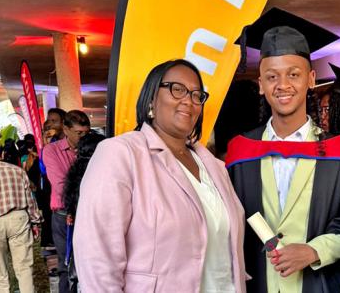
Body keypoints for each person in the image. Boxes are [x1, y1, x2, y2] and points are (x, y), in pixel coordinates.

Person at [73, 59, 247, 292]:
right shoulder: (120, 154)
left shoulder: (214, 167)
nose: (188, 100)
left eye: (197, 95)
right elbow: (97, 255)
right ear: (152, 98)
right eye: (177, 89)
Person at [226, 8, 340, 293]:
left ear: (311, 79)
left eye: (293, 74)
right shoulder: (240, 153)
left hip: (317, 285)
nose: (283, 85)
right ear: (261, 85)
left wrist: (315, 251)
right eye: (272, 77)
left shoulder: (339, 153)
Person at [43, 110, 91, 293]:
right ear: (66, 129)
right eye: (79, 133)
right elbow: (61, 185)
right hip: (64, 216)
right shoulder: (51, 151)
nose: (83, 137)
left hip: (87, 214)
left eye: (86, 133)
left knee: (89, 264)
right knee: (66, 265)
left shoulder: (89, 149)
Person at [62, 131, 106, 292]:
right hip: (99, 231)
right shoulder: (103, 171)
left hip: (80, 231)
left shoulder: (75, 172)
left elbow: (70, 202)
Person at [0, 160, 42, 293]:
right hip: (18, 218)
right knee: (24, 269)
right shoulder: (17, 170)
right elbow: (30, 199)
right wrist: (35, 221)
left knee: (0, 274)